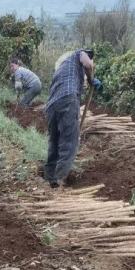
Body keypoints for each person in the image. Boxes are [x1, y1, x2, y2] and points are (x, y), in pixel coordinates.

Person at [44, 48, 102, 188]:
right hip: (68, 99)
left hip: (51, 105)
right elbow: (88, 64)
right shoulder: (80, 53)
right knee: (69, 142)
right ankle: (59, 181)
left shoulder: (63, 67)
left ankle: (49, 177)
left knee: (54, 141)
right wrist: (91, 78)